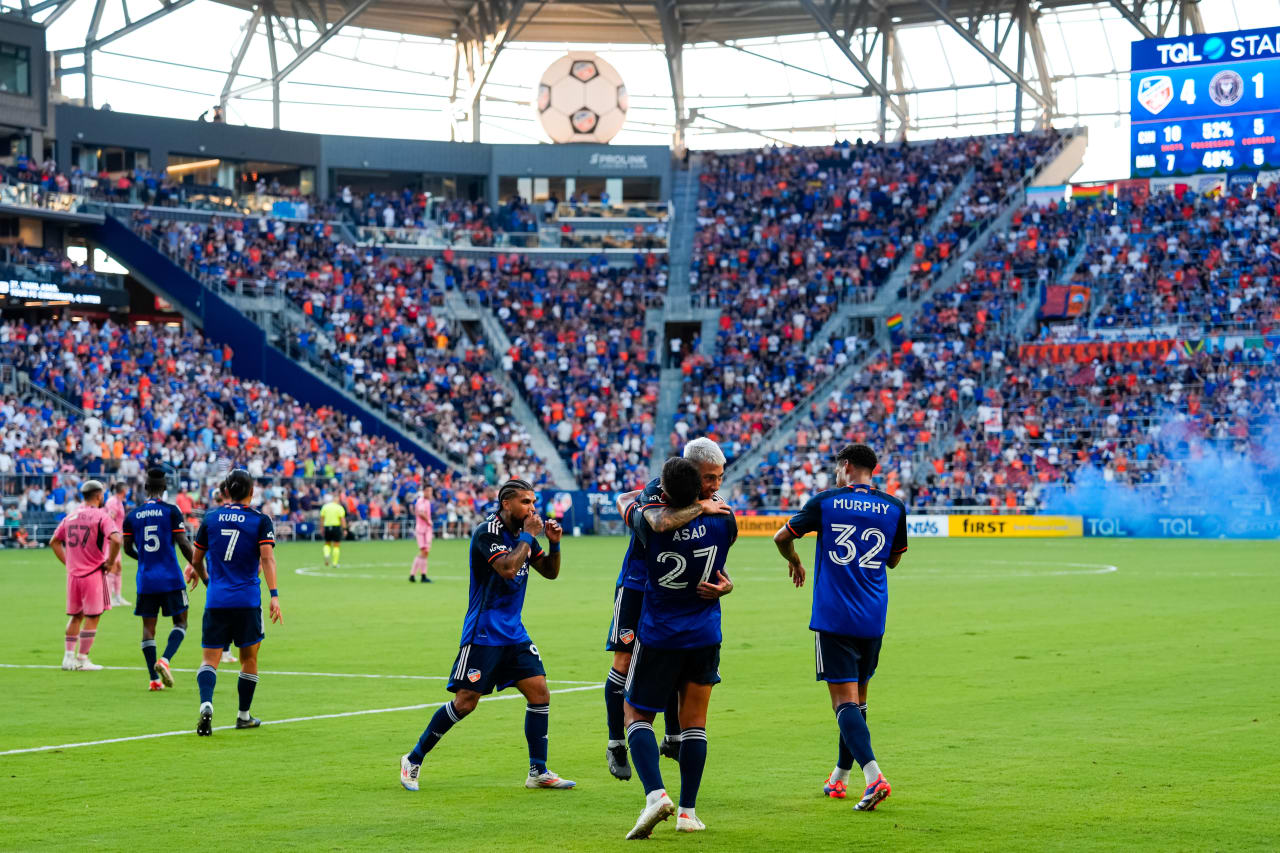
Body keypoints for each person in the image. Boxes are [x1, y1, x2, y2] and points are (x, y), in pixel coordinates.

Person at [399, 479, 574, 792]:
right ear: (506, 503)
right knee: (465, 703)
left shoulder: (524, 536)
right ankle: (412, 759)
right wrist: (530, 537)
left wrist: (555, 543)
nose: (532, 508)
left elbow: (549, 571)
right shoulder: (487, 532)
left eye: (533, 502)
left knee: (539, 693)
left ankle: (538, 771)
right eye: (525, 502)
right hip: (484, 632)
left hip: (513, 632)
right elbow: (507, 568)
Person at [771, 443, 908, 812]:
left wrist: (795, 560)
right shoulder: (895, 507)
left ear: (845, 466)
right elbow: (894, 560)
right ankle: (840, 777)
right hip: (873, 615)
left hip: (834, 616)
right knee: (859, 702)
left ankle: (873, 775)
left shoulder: (826, 501)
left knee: (843, 703)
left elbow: (781, 537)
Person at [620, 457, 736, 838]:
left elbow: (627, 502)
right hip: (705, 633)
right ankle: (688, 812)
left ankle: (655, 795)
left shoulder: (649, 526)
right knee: (695, 723)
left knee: (635, 713)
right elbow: (719, 565)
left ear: (664, 492)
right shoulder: (725, 520)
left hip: (659, 632)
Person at [605, 437, 731, 780]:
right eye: (709, 477)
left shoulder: (713, 500)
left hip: (678, 591)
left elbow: (714, 550)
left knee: (677, 660)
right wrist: (700, 508)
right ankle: (617, 743)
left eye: (720, 477)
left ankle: (673, 738)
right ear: (689, 472)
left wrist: (726, 582)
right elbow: (659, 523)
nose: (715, 485)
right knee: (624, 660)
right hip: (637, 585)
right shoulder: (657, 490)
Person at [185, 469, 283, 735]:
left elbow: (196, 559)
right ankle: (243, 715)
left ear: (226, 491)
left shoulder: (211, 518)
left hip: (217, 600)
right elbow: (267, 559)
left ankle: (206, 703)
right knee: (249, 658)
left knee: (209, 660)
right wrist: (274, 596)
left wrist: (204, 578)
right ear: (252, 492)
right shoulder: (260, 521)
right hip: (248, 601)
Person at [123, 468, 195, 691]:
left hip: (146, 579)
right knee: (181, 622)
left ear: (145, 488)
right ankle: (164, 660)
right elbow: (183, 543)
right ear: (165, 488)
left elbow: (128, 549)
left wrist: (144, 558)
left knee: (148, 628)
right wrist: (198, 565)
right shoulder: (171, 511)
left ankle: (153, 681)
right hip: (171, 578)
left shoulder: (132, 516)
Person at [51, 480, 122, 671]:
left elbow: (54, 542)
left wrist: (68, 563)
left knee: (76, 616)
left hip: (73, 575)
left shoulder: (71, 516)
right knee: (93, 616)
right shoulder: (101, 516)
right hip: (93, 573)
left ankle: (68, 658)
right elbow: (116, 539)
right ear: (99, 496)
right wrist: (110, 561)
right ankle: (82, 659)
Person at [105, 481, 130, 607]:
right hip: (111, 539)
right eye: (127, 489)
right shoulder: (113, 502)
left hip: (117, 538)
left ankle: (118, 596)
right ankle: (109, 597)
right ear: (123, 490)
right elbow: (109, 519)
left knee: (118, 567)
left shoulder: (119, 502)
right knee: (112, 567)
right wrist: (114, 535)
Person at [410, 489, 433, 583]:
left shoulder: (426, 501)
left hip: (426, 530)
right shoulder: (421, 501)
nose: (430, 493)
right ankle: (420, 575)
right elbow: (421, 513)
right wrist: (428, 520)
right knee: (424, 552)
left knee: (425, 552)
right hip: (421, 530)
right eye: (429, 491)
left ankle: (415, 575)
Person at [319, 493, 347, 567]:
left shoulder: (325, 507)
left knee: (327, 543)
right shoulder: (339, 508)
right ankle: (335, 563)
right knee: (336, 545)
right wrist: (344, 529)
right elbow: (342, 519)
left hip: (327, 527)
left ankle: (326, 554)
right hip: (336, 527)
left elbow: (322, 518)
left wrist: (321, 528)